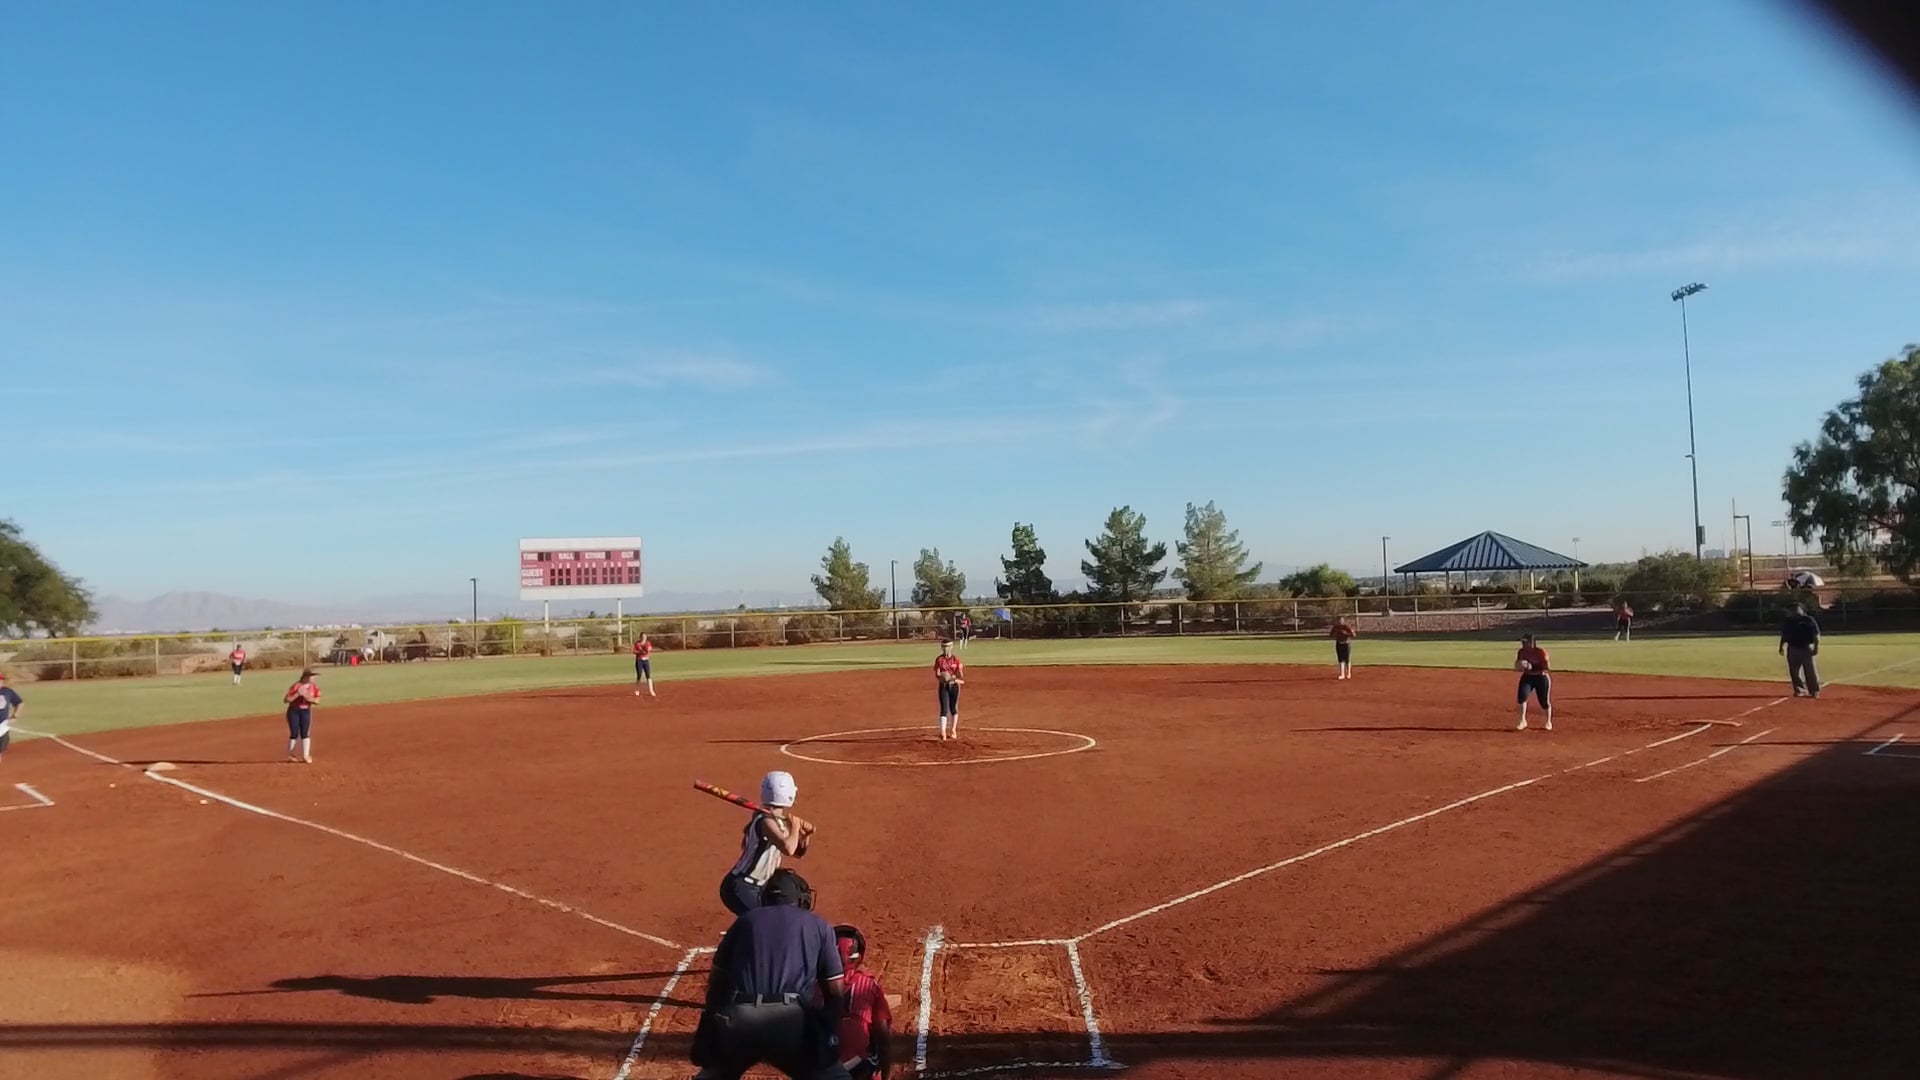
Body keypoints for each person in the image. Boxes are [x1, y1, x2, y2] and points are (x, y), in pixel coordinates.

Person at [692, 868, 850, 1080]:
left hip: (741, 1019)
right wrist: (827, 1033)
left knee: (712, 1076)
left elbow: (718, 985)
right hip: (790, 1021)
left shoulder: (745, 921)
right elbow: (835, 992)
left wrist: (713, 1028)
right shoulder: (819, 926)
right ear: (801, 899)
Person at [720, 771, 814, 915]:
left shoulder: (778, 822)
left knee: (765, 922)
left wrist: (805, 836)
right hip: (742, 887)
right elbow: (788, 848)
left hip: (759, 887)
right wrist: (795, 827)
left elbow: (797, 853)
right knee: (763, 921)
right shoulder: (766, 822)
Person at [834, 925, 894, 1080]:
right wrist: (886, 1076)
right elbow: (883, 1038)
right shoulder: (869, 985)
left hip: (823, 1070)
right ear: (858, 957)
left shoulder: (812, 987)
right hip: (859, 1069)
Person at [1780, 602, 1822, 698]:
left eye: (1796, 609)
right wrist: (1781, 647)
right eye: (1791, 609)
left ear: (1801, 609)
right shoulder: (1788, 621)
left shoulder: (1809, 620)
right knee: (1794, 672)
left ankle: (1814, 690)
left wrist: (1816, 648)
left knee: (1810, 671)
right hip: (1792, 648)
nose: (1793, 611)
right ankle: (1799, 689)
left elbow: (1816, 635)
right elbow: (1784, 635)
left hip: (1806, 648)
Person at [1514, 633, 1552, 732]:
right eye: (1522, 642)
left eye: (1525, 642)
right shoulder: (1521, 652)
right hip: (1528, 677)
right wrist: (1520, 665)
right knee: (1522, 697)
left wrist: (1533, 666)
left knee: (1544, 701)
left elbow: (1547, 667)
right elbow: (1517, 666)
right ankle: (1523, 720)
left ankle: (1548, 721)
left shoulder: (1540, 652)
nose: (1523, 644)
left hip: (1541, 677)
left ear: (1531, 643)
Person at [284, 669, 321, 763]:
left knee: (305, 732)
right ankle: (291, 755)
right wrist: (297, 694)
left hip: (305, 711)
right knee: (294, 733)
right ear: (305, 677)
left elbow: (317, 701)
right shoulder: (296, 686)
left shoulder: (314, 687)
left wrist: (308, 697)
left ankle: (306, 755)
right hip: (294, 711)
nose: (312, 678)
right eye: (310, 676)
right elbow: (286, 700)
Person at [934, 640, 965, 741]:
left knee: (953, 708)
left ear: (951, 647)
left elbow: (960, 675)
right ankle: (943, 732)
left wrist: (952, 677)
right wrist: (942, 677)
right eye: (943, 647)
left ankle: (953, 730)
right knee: (944, 709)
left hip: (954, 686)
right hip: (943, 686)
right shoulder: (939, 659)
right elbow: (937, 673)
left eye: (947, 646)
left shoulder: (956, 660)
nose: (945, 649)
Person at [0, 674, 22, 766]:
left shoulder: (7, 691)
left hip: (3, 727)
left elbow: (19, 703)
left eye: (1, 680)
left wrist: (15, 716)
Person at [633, 633, 656, 697]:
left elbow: (649, 649)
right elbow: (634, 651)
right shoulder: (637, 643)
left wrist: (647, 650)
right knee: (639, 675)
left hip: (646, 660)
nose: (644, 637)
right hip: (639, 660)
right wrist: (640, 652)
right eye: (642, 636)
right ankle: (637, 690)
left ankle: (651, 690)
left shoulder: (647, 643)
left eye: (645, 636)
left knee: (648, 675)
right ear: (640, 637)